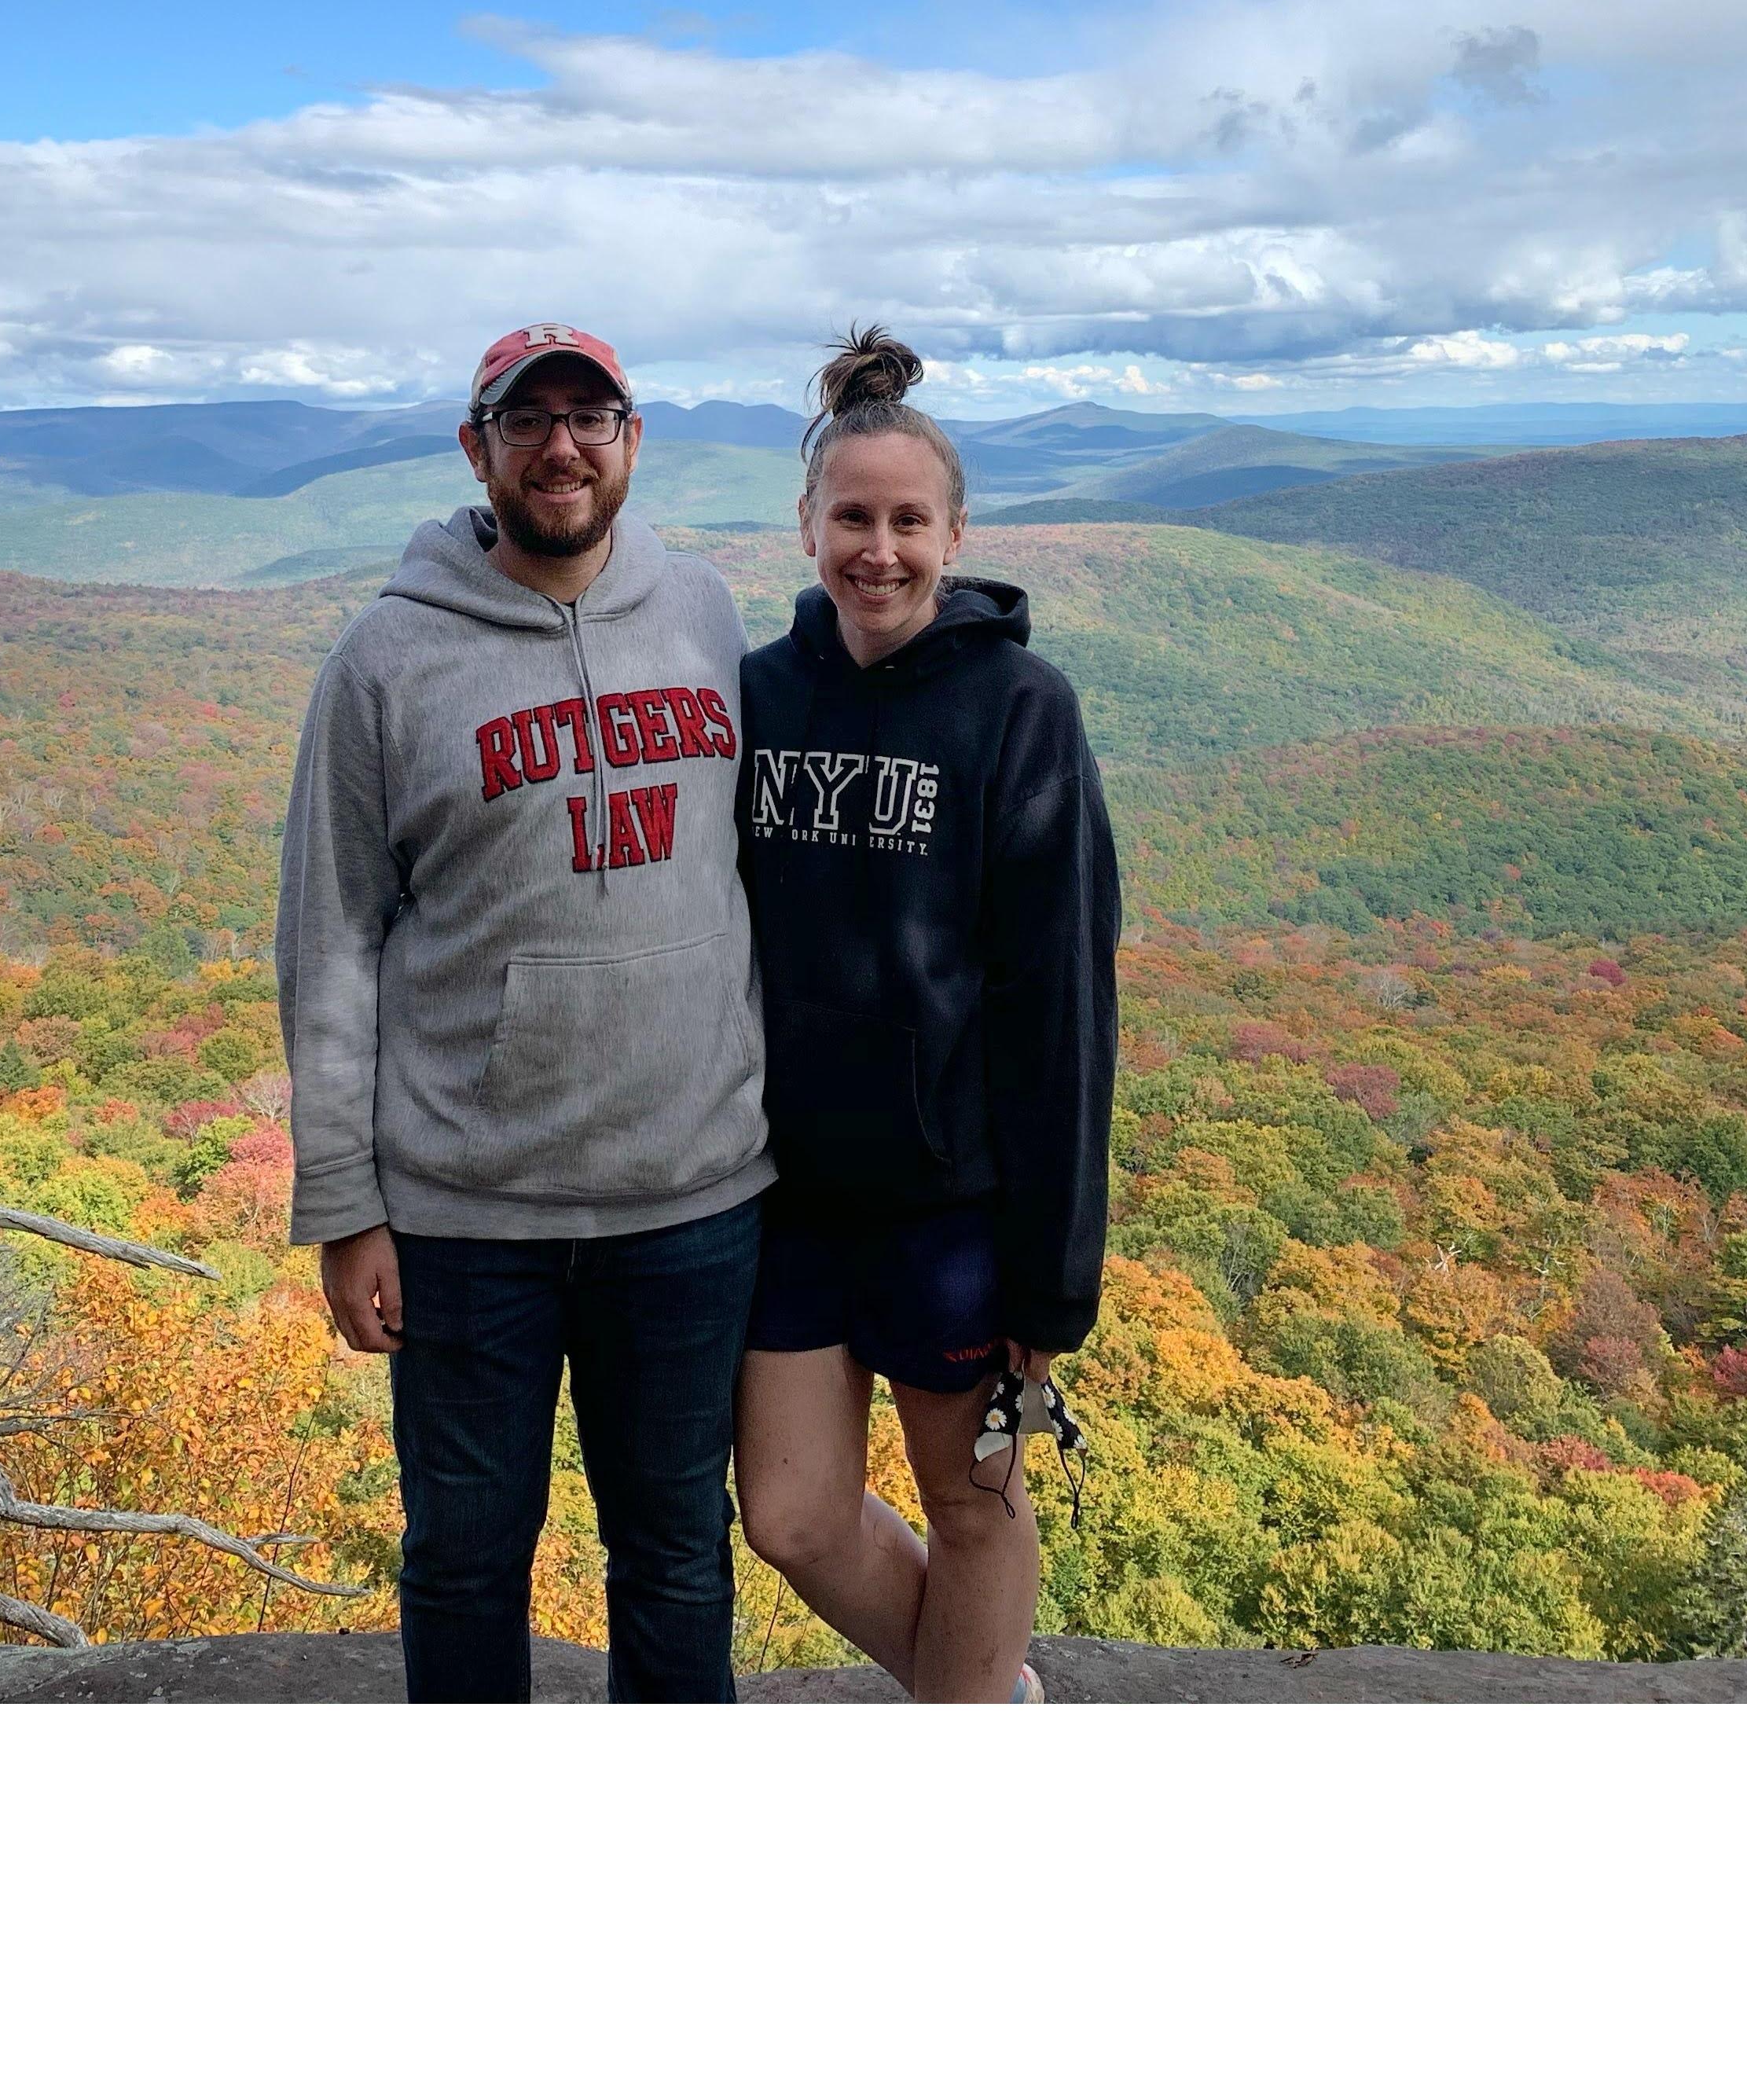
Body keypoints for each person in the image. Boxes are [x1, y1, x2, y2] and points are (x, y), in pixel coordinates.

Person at [278, 321, 772, 1702]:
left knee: (677, 1554)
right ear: (476, 447)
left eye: (591, 418)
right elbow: (329, 942)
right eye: (528, 419)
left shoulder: (708, 615)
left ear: (630, 442)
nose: (562, 446)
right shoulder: (386, 661)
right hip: (464, 1216)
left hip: (691, 1196)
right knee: (464, 1559)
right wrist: (344, 1206)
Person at [733, 326, 1120, 1702]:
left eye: (908, 520)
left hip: (955, 1204)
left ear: (957, 534)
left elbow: (1064, 997)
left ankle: (968, 1712)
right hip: (783, 1195)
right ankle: (985, 1689)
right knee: (787, 1515)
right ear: (807, 525)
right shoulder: (760, 696)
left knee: (970, 1504)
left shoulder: (1021, 712)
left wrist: (1051, 1274)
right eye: (852, 516)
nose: (877, 549)